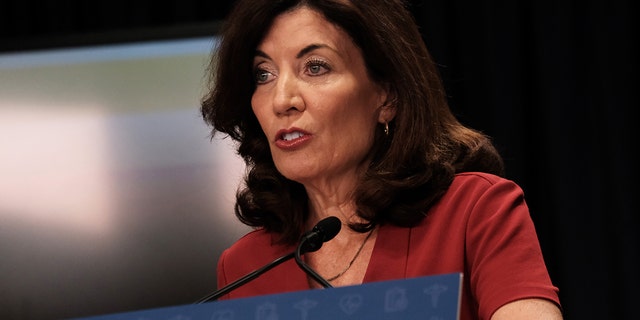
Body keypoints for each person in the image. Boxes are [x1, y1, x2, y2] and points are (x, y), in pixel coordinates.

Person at [200, 0, 563, 319]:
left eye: (315, 67)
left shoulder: (475, 212)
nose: (282, 100)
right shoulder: (245, 267)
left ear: (386, 97)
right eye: (263, 74)